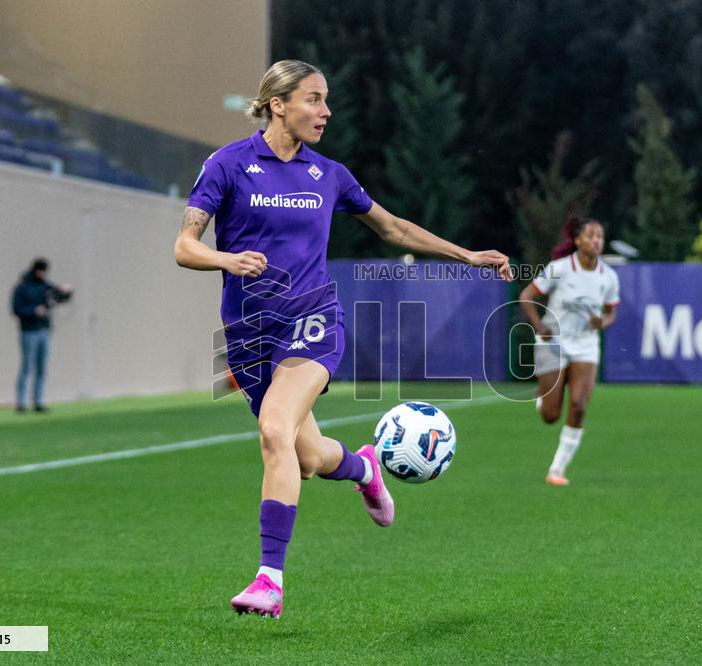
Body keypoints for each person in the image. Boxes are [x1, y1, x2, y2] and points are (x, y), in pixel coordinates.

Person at [174, 59, 511, 619]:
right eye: (313, 99)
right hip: (249, 334)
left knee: (274, 428)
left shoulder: (328, 174)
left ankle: (269, 579)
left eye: (326, 100)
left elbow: (393, 228)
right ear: (278, 104)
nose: (325, 111)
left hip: (314, 319)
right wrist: (225, 258)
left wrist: (468, 255)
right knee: (305, 456)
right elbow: (184, 245)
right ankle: (364, 468)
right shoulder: (228, 165)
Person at [518, 215, 619, 486]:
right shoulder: (560, 268)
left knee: (578, 405)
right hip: (553, 343)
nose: (596, 241)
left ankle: (557, 470)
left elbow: (611, 313)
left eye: (599, 236)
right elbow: (526, 296)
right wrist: (539, 325)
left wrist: (603, 321)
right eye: (590, 235)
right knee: (551, 415)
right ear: (577, 240)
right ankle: (543, 396)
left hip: (586, 345)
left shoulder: (608, 277)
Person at [11, 258, 72, 413]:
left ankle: (38, 401)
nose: (43, 274)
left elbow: (59, 297)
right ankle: (21, 403)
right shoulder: (22, 288)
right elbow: (16, 309)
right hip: (28, 331)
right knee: (26, 367)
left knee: (41, 367)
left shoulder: (46, 286)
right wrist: (33, 311)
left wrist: (66, 292)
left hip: (43, 330)